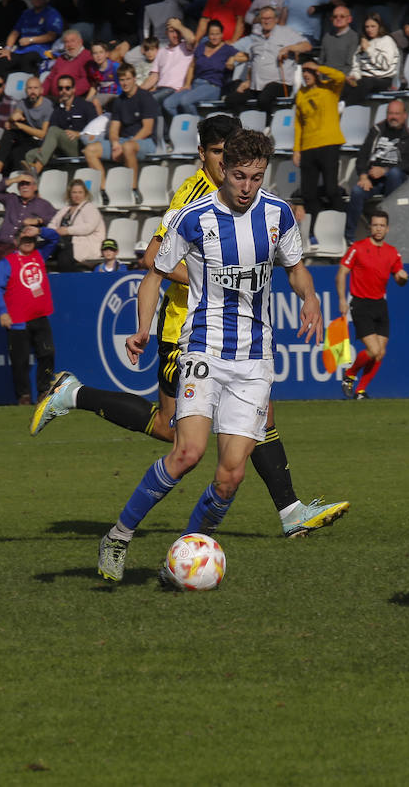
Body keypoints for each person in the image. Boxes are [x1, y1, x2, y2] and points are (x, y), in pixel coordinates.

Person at [32, 116, 349, 538]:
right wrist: (215, 276)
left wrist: (302, 294)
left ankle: (288, 511)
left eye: (229, 151)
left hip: (236, 337)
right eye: (217, 152)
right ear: (204, 154)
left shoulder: (265, 206)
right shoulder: (194, 198)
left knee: (212, 427)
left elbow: (290, 266)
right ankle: (77, 396)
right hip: (187, 328)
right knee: (186, 437)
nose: (226, 164)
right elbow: (152, 258)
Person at [95, 129, 329, 583]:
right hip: (202, 347)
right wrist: (142, 328)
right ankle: (118, 537)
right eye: (239, 176)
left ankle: (179, 561)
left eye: (256, 177)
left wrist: (310, 298)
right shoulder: (193, 217)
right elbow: (154, 274)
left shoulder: (278, 214)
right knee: (187, 453)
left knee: (230, 477)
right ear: (223, 170)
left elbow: (297, 270)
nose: (247, 187)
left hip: (255, 361)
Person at [336, 211, 409, 399]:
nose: (378, 228)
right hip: (361, 304)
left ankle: (360, 391)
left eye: (382, 225)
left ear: (387, 228)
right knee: (373, 350)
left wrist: (403, 278)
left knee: (380, 353)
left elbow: (399, 276)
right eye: (375, 225)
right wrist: (342, 300)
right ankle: (350, 374)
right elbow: (342, 273)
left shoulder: (392, 252)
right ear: (370, 227)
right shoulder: (358, 248)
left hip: (380, 305)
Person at [0, 227, 56, 406]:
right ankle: (24, 396)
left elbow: (54, 239)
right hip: (18, 320)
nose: (28, 242)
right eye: (24, 239)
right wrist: (2, 312)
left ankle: (43, 390)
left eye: (31, 239)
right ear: (16, 241)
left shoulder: (39, 255)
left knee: (47, 353)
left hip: (40, 315)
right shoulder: (8, 262)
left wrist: (39, 229)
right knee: (19, 361)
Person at [345, 100, 409, 241]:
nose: (393, 117)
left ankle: (389, 226)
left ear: (404, 115)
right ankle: (349, 238)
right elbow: (362, 156)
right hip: (374, 180)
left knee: (394, 174)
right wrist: (363, 176)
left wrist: (385, 170)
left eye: (397, 114)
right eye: (390, 113)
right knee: (356, 192)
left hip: (397, 180)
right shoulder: (377, 131)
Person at [0, 161, 57, 275]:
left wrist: (38, 221)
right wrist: (14, 179)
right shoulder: (12, 199)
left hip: (19, 247)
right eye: (21, 184)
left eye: (28, 183)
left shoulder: (43, 204)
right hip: (0, 246)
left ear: (34, 187)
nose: (24, 186)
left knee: (5, 265)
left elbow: (56, 219)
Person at [86, 64, 158, 205]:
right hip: (124, 140)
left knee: (128, 147)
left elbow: (147, 129)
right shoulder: (119, 101)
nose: (125, 83)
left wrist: (126, 144)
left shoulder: (145, 97)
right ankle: (104, 189)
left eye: (128, 79)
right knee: (90, 150)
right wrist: (115, 144)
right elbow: (114, 129)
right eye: (122, 80)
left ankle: (133, 189)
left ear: (134, 79)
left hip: (145, 141)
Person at [293, 60, 347, 243]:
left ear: (316, 72)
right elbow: (298, 123)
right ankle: (315, 233)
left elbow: (340, 77)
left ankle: (344, 231)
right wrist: (296, 150)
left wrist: (320, 67)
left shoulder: (330, 88)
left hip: (329, 144)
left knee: (332, 190)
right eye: (304, 71)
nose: (306, 74)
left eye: (310, 71)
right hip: (308, 147)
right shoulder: (301, 93)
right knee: (308, 193)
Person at [226, 6, 311, 115]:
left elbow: (307, 46)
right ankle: (243, 124)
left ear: (276, 19)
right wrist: (248, 81)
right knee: (231, 99)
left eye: (269, 18)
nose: (266, 21)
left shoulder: (286, 32)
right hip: (256, 85)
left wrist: (289, 48)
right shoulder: (256, 37)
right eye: (263, 18)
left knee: (264, 99)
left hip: (279, 83)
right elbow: (252, 63)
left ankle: (268, 124)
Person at [163, 18, 237, 118]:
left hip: (212, 86)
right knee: (168, 104)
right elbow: (192, 66)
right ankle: (183, 126)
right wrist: (187, 84)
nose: (214, 37)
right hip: (195, 84)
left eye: (217, 34)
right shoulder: (201, 47)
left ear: (222, 34)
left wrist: (232, 59)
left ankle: (201, 126)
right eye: (211, 34)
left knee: (185, 101)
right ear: (207, 35)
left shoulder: (227, 49)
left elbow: (245, 56)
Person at [25, 74, 97, 172]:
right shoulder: (57, 110)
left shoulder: (86, 106)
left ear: (74, 89)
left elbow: (96, 130)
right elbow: (50, 134)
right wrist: (43, 147)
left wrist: (79, 134)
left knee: (54, 130)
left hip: (80, 147)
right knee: (30, 154)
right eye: (60, 88)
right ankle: (34, 183)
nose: (64, 91)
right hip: (60, 149)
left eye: (67, 88)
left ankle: (35, 171)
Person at [0, 0, 64, 73]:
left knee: (27, 60)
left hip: (42, 51)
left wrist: (30, 40)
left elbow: (51, 36)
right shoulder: (26, 13)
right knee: (3, 59)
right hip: (21, 50)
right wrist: (8, 49)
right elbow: (15, 32)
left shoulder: (52, 13)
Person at [44, 179, 105, 272]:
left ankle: (66, 280)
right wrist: (55, 231)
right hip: (63, 243)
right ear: (70, 194)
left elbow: (89, 227)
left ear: (85, 193)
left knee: (64, 251)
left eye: (80, 192)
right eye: (74, 192)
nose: (77, 195)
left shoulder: (90, 208)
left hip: (83, 245)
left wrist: (67, 230)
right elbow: (52, 224)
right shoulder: (66, 209)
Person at [344, 11, 399, 104]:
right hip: (364, 79)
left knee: (366, 82)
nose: (369, 30)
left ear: (379, 26)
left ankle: (346, 106)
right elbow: (357, 65)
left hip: (383, 79)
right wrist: (354, 76)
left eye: (373, 26)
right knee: (344, 82)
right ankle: (339, 105)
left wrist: (369, 50)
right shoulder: (363, 43)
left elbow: (385, 65)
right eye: (367, 27)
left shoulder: (387, 40)